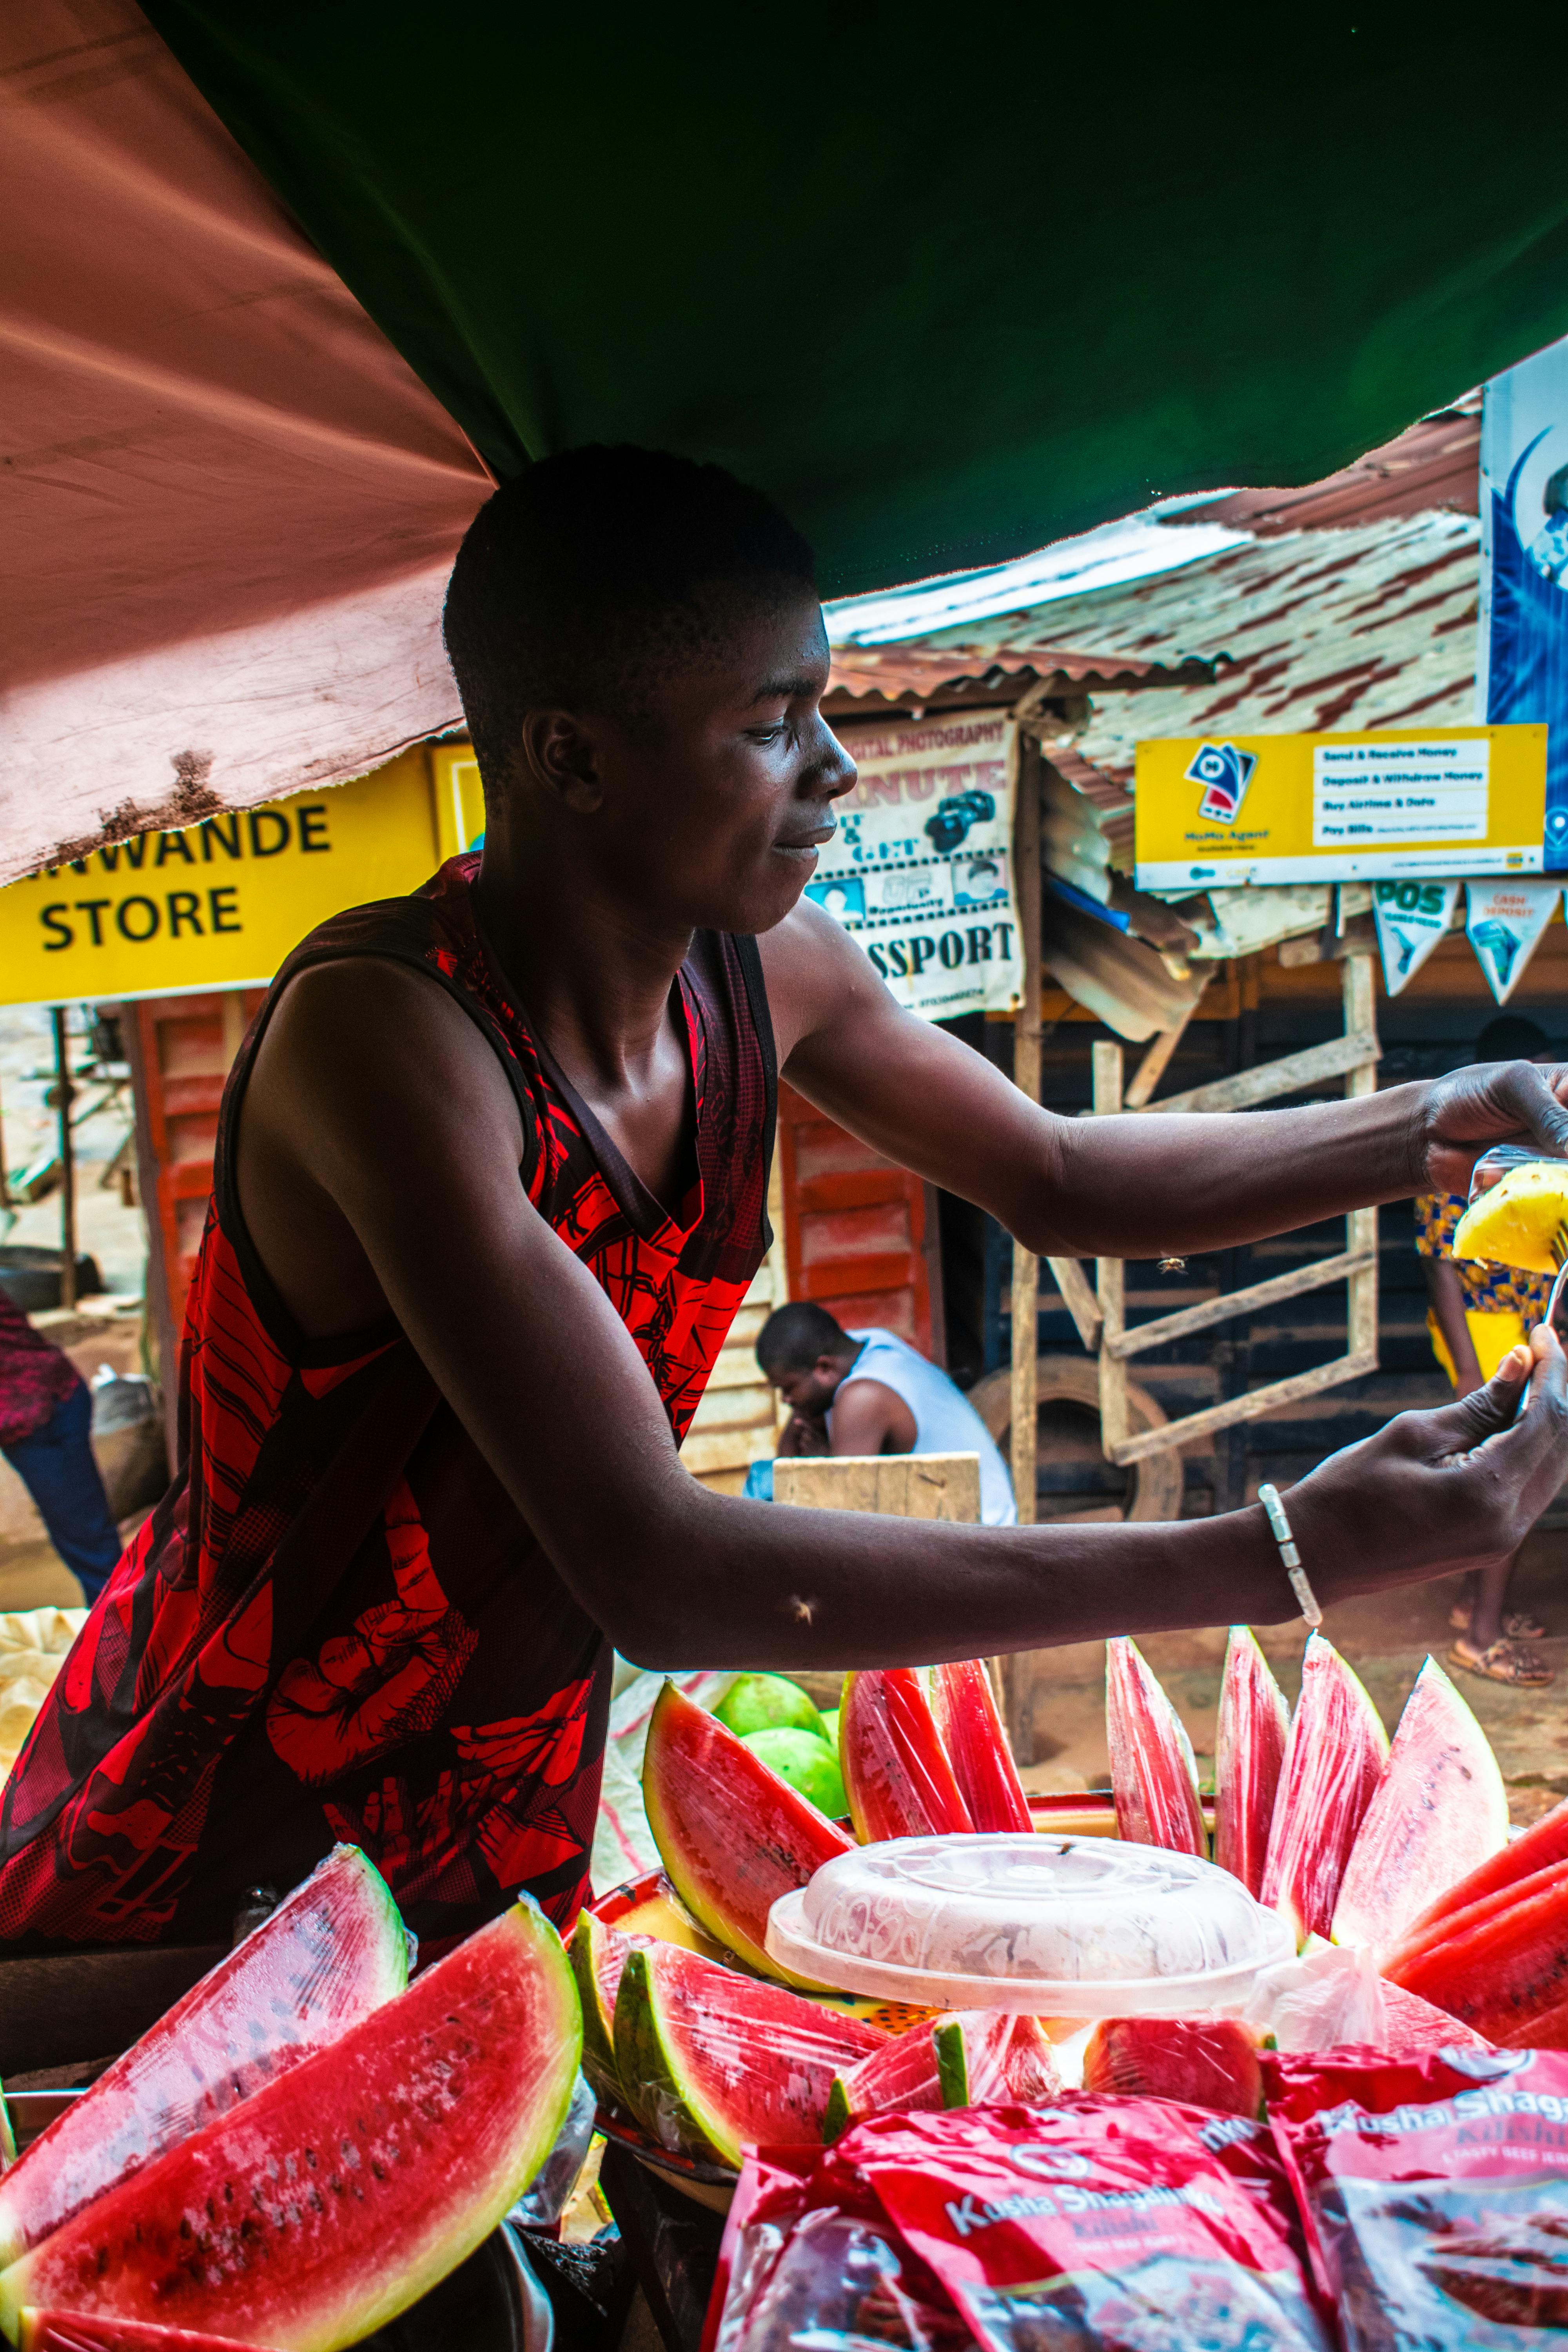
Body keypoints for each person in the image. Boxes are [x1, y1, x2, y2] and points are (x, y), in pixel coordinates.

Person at [1, 446, 1565, 1955]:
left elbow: (1060, 1175)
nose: (836, 765)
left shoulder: (771, 973)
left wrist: (1440, 1117)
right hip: (218, 1814)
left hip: (503, 1807)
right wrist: (1285, 1553)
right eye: (773, 720)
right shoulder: (388, 1037)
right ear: (572, 757)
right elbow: (658, 1572)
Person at [1416, 1013, 1558, 1686]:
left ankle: (1477, 1606)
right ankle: (1480, 1639)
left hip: (1523, 1322)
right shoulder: (1462, 1157)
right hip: (1482, 1328)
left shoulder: (1529, 1150)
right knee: (1514, 1476)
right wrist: (1472, 1369)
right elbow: (1441, 1265)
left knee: (1516, 1472)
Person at [755, 1302, 1018, 1526]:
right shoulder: (867, 1342)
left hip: (981, 1533)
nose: (785, 1401)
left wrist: (818, 1465)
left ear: (824, 1368)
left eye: (788, 1389)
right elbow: (787, 1463)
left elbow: (840, 1519)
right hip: (959, 1521)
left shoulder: (862, 1399)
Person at [0, 1287, 120, 1605]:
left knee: (90, 1544)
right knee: (82, 1540)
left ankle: (127, 1641)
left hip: (43, 1411)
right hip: (33, 1410)